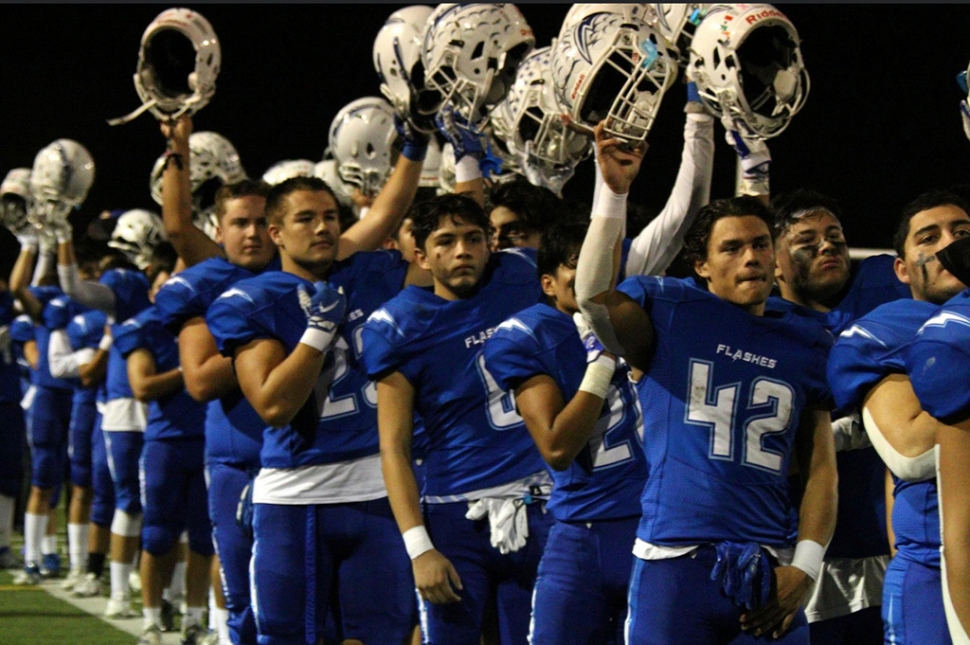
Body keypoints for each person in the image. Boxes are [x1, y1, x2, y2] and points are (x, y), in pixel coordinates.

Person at [574, 122, 838, 644]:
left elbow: (820, 468)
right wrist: (613, 193)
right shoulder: (672, 312)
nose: (752, 257)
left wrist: (805, 567)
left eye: (761, 245)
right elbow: (593, 298)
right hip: (673, 562)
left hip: (769, 566)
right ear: (701, 265)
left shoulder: (806, 338)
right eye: (733, 248)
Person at [207, 176, 420, 645]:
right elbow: (273, 405)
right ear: (276, 232)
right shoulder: (255, 299)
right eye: (306, 218)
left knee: (383, 635)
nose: (321, 227)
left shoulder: (371, 273)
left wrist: (426, 149)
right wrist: (318, 331)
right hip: (297, 491)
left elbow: (446, 252)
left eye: (329, 217)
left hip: (378, 488)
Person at [362, 193, 553, 644]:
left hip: (543, 499)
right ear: (420, 256)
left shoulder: (523, 273)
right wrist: (418, 547)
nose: (462, 251)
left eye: (472, 238)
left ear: (491, 244)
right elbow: (394, 446)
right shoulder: (399, 325)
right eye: (445, 241)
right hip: (456, 515)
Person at [482, 219, 647, 643]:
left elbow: (676, 227)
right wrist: (603, 361)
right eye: (576, 263)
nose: (592, 270)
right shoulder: (529, 335)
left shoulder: (639, 313)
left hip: (654, 524)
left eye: (601, 260)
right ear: (549, 283)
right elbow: (556, 447)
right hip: (581, 528)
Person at [827, 190, 970, 644]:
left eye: (962, 234)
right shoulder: (892, 326)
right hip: (937, 564)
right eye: (929, 237)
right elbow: (911, 451)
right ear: (902, 269)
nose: (948, 244)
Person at [770, 189, 913, 642]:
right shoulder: (762, 327)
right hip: (805, 553)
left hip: (897, 543)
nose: (828, 246)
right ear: (773, 262)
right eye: (807, 241)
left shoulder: (887, 290)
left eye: (835, 236)